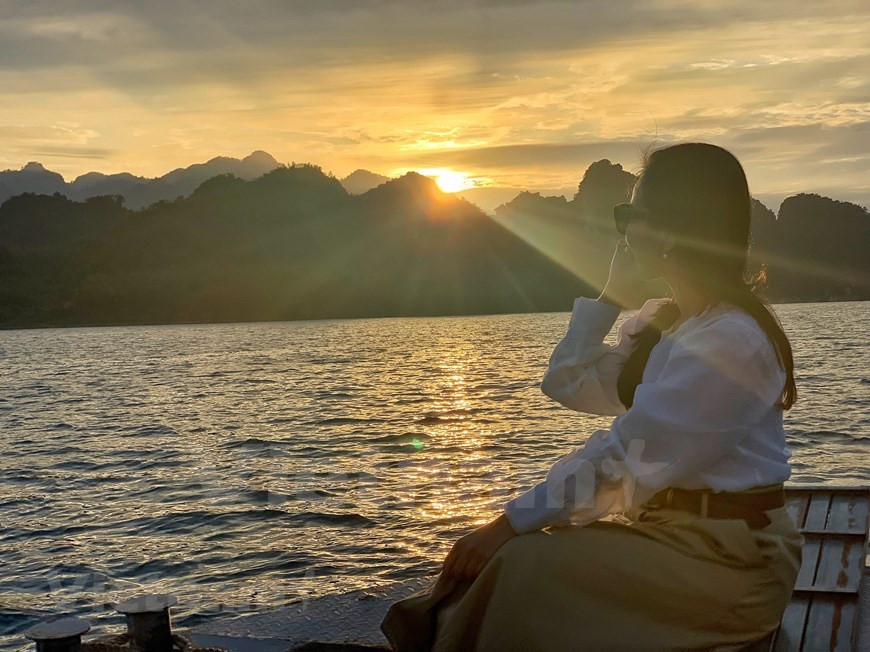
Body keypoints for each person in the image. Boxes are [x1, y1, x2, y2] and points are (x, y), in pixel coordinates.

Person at [380, 142, 804, 651]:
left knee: (521, 562)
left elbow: (630, 456)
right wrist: (607, 298)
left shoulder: (731, 340)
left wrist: (507, 522)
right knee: (511, 562)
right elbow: (568, 382)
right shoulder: (670, 323)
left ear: (673, 227)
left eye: (631, 214)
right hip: (671, 539)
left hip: (731, 563)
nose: (621, 231)